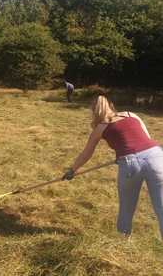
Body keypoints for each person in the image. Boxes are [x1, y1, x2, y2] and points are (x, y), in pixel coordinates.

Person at [62, 95, 163, 240]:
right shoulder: (131, 115)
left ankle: (123, 246)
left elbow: (85, 155)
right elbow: (147, 138)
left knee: (126, 210)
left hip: (129, 163)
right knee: (161, 209)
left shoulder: (100, 128)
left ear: (94, 112)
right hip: (157, 157)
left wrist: (71, 171)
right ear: (111, 105)